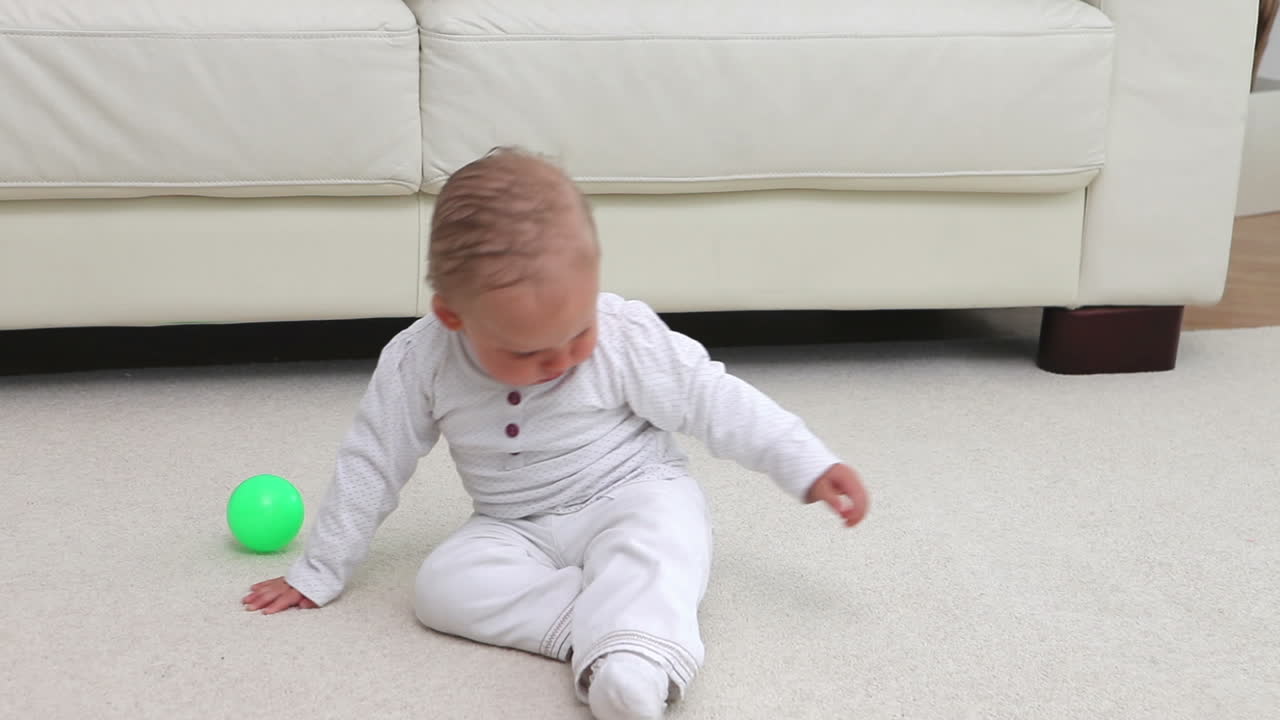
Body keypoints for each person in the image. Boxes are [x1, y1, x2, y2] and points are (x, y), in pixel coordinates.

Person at [241, 147, 869, 720]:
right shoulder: (419, 360)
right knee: (440, 588)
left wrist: (804, 460)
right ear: (452, 316)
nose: (563, 360)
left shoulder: (620, 334)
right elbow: (372, 461)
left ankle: (634, 661)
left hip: (633, 489)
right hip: (513, 522)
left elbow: (710, 396)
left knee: (663, 539)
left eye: (578, 333)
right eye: (529, 351)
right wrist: (318, 571)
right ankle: (616, 624)